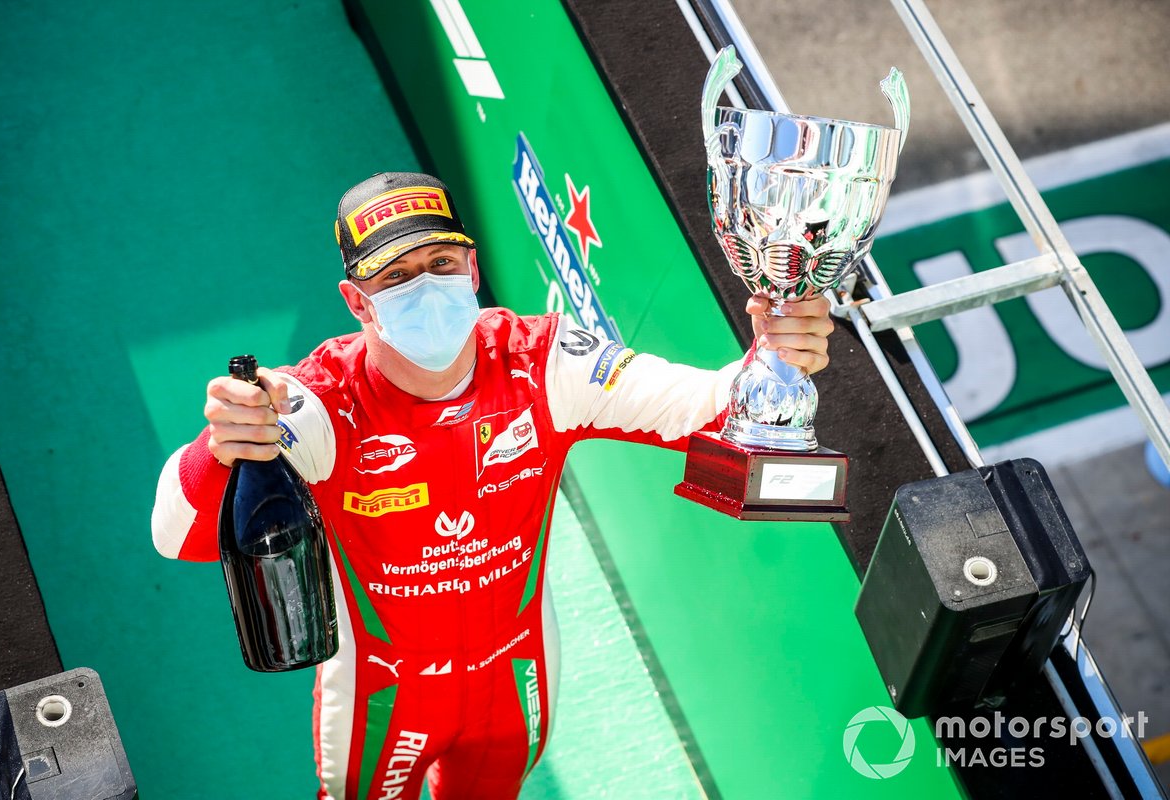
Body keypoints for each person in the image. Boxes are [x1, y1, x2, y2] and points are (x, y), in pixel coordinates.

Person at [151, 172, 835, 799]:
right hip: (381, 693)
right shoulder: (319, 401)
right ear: (357, 302)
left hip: (516, 677)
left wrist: (774, 357)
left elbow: (706, 404)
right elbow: (175, 535)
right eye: (396, 277)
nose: (425, 287)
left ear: (472, 267)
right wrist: (224, 446)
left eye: (440, 264)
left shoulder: (544, 361)